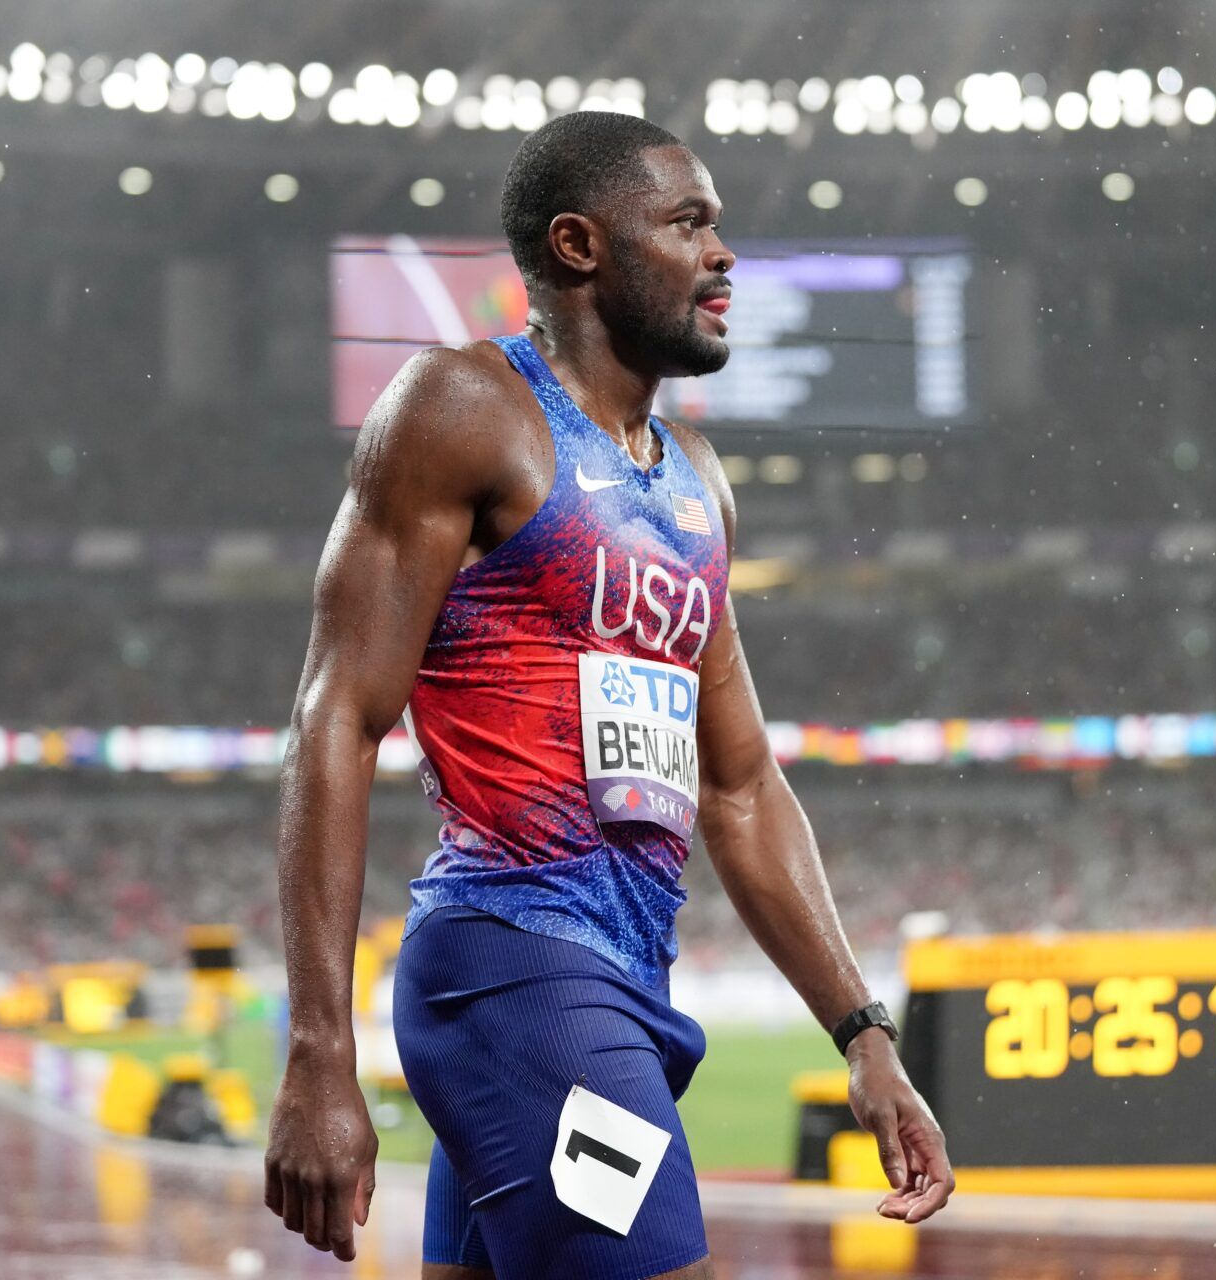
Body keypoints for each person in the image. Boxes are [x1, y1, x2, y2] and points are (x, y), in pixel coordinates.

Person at [264, 110, 954, 1279]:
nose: (725, 255)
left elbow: (739, 785)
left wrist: (865, 1035)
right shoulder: (462, 409)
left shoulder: (696, 481)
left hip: (619, 979)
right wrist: (320, 1050)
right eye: (688, 223)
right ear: (580, 246)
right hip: (515, 968)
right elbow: (335, 719)